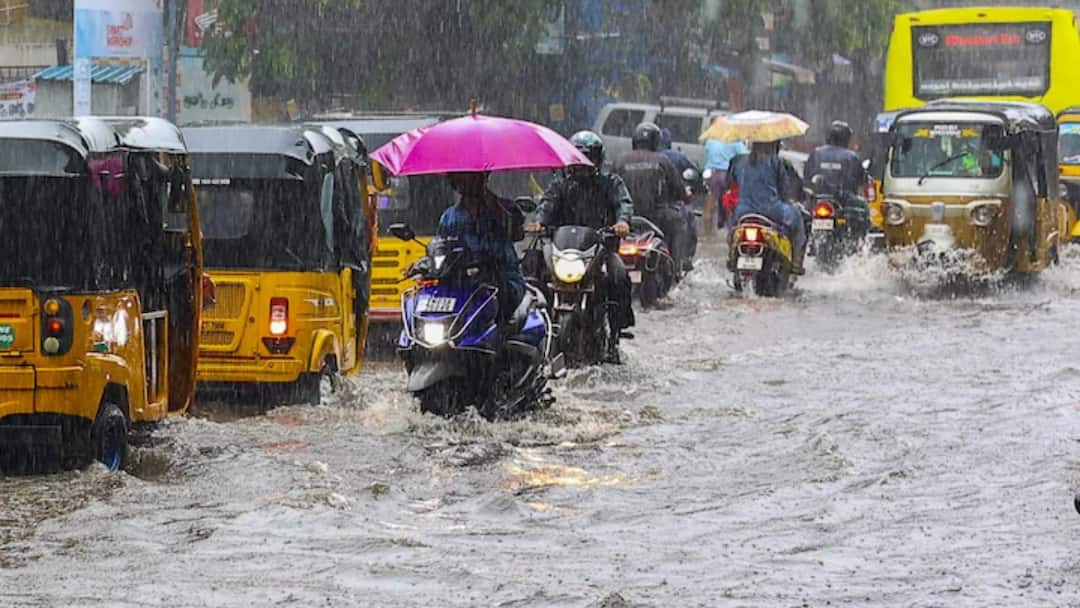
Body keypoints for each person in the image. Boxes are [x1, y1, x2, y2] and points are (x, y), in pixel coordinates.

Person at [533, 130, 634, 362]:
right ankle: (533, 326)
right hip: (563, 251)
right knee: (532, 267)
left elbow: (623, 204)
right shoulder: (560, 185)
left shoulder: (611, 183)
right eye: (577, 158)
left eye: (586, 159)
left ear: (597, 160)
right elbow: (546, 205)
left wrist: (622, 222)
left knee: (619, 275)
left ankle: (616, 331)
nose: (581, 165)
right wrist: (539, 223)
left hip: (600, 248)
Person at [438, 171, 525, 324]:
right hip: (464, 283)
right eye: (462, 178)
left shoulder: (505, 207)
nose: (468, 183)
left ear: (483, 178)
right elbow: (442, 248)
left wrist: (494, 205)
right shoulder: (449, 217)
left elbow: (517, 233)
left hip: (502, 279)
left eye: (473, 177)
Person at [613, 122, 691, 272]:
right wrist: (685, 196)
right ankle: (675, 269)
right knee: (679, 222)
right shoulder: (662, 160)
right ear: (656, 141)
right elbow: (678, 190)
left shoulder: (619, 160)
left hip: (625, 219)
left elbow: (611, 190)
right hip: (658, 218)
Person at [728, 140, 808, 274]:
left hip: (743, 211)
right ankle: (796, 262)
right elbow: (785, 191)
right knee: (798, 215)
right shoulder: (776, 162)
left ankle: (731, 256)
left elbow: (731, 183)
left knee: (733, 229)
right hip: (772, 210)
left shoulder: (738, 161)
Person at [660, 127, 700, 260]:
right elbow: (694, 173)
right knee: (687, 223)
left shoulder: (637, 159)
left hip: (646, 207)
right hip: (670, 205)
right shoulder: (675, 157)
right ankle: (684, 258)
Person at [704, 119, 749, 230]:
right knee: (729, 201)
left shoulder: (710, 140)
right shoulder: (733, 140)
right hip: (726, 174)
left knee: (710, 202)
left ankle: (708, 232)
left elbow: (708, 152)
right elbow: (744, 155)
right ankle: (729, 229)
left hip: (711, 173)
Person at [804, 121, 866, 201]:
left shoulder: (816, 153)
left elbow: (807, 175)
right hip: (845, 201)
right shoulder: (851, 157)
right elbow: (861, 178)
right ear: (846, 138)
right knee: (864, 206)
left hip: (817, 198)